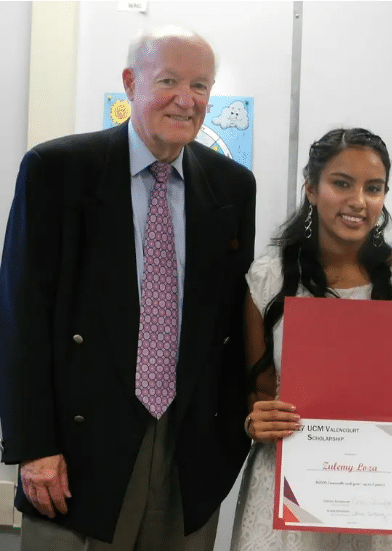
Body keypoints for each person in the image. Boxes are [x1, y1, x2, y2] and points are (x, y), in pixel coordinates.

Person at [0, 26, 256, 550]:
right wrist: (33, 447)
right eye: (168, 80)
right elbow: (19, 316)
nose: (187, 100)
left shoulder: (233, 187)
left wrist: (229, 438)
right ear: (129, 83)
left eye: (201, 85)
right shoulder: (58, 171)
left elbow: (230, 322)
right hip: (74, 453)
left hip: (186, 457)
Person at [230, 127, 392, 551]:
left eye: (374, 188)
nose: (358, 201)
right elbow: (257, 395)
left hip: (381, 506)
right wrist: (254, 420)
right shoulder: (268, 280)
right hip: (288, 502)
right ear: (311, 190)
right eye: (342, 183)